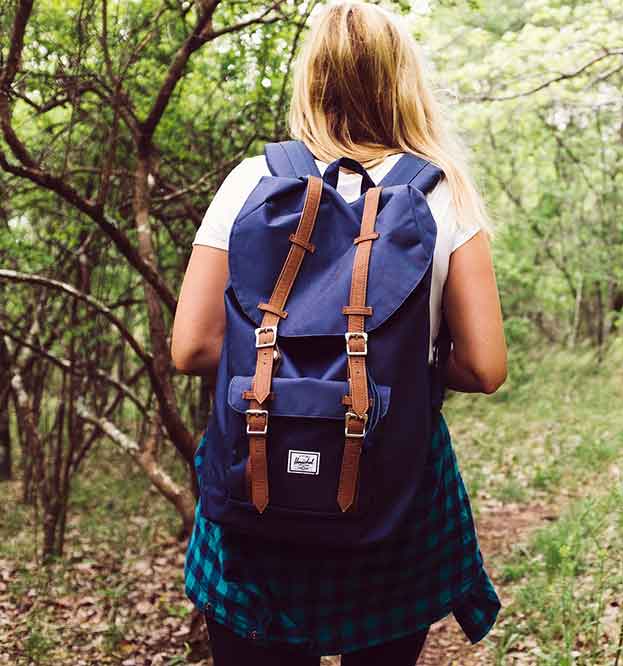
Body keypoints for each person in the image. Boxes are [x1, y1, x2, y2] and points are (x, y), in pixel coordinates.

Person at [170, 2, 507, 663]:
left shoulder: (252, 181)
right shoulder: (444, 195)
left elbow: (192, 347)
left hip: (257, 489)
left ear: (312, 80)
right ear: (403, 81)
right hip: (391, 492)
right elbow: (486, 368)